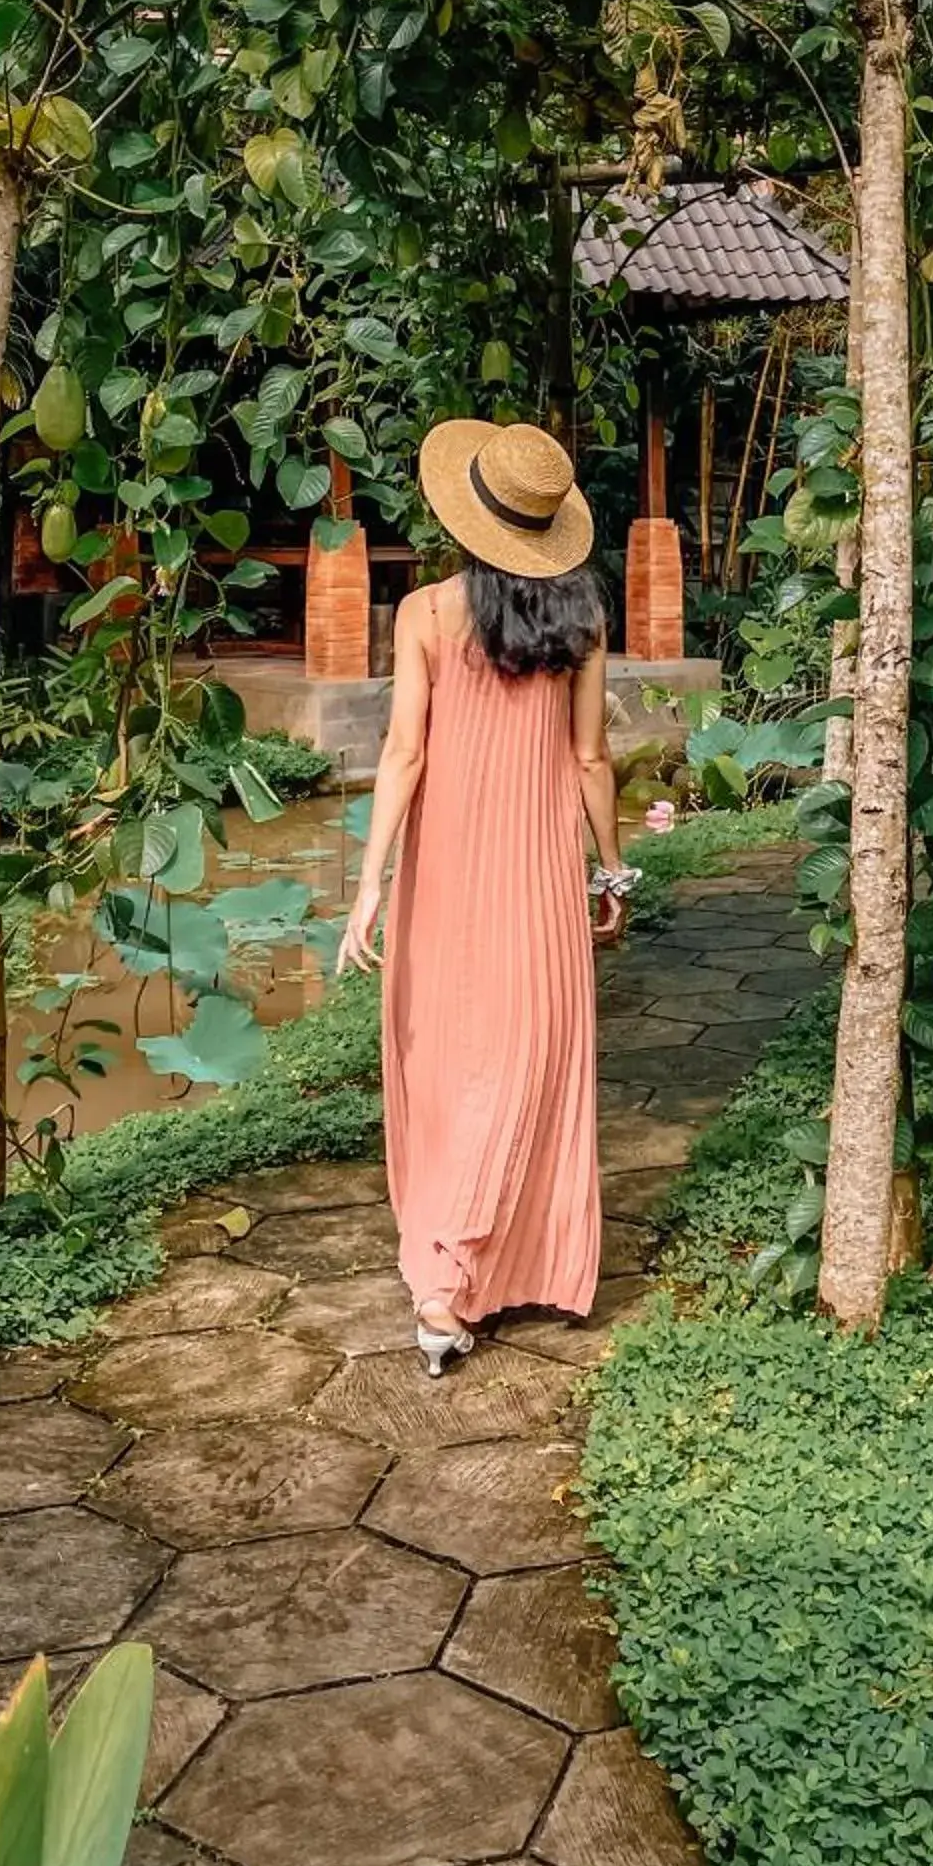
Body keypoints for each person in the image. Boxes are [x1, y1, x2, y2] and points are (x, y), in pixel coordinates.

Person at [337, 419, 635, 1375]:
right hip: (539, 868)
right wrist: (611, 866)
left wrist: (368, 883)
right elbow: (592, 758)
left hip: (448, 867)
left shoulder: (422, 614)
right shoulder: (582, 621)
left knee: (452, 1060)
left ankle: (447, 1275)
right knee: (523, 1060)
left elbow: (404, 754)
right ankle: (461, 1275)